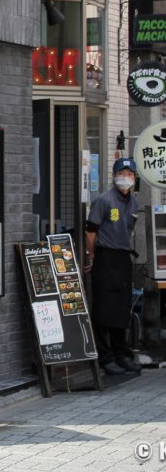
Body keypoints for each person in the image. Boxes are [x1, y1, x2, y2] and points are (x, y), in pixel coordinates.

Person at [84, 157, 141, 376]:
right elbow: (90, 230)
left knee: (121, 308)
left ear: (134, 178)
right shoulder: (104, 200)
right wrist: (92, 255)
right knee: (104, 308)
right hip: (105, 257)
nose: (125, 178)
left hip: (123, 258)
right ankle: (105, 357)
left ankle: (121, 354)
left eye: (129, 174)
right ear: (114, 175)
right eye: (122, 173)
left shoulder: (134, 203)